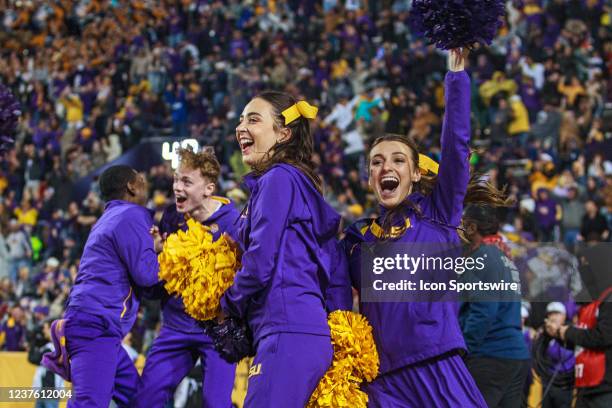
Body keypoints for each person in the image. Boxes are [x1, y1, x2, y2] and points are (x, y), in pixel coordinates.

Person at [342, 49, 497, 407]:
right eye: (376, 163)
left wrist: (456, 74)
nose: (386, 168)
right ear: (369, 178)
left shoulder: (438, 213)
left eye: (398, 160)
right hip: (382, 381)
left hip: (437, 364)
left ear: (415, 174)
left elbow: (456, 147)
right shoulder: (357, 237)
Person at [219, 91, 347, 407]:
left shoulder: (278, 179)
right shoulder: (297, 182)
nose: (240, 127)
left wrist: (228, 303)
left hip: (286, 330)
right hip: (302, 332)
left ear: (283, 133)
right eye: (240, 119)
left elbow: (260, 261)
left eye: (253, 119)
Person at [43, 165, 160, 408]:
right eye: (141, 177)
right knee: (89, 404)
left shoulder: (108, 218)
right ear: (131, 186)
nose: (145, 182)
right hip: (96, 327)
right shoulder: (131, 214)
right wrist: (165, 252)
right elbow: (147, 276)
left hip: (97, 326)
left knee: (142, 401)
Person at [134, 148, 238, 408]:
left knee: (215, 403)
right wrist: (158, 255)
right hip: (175, 327)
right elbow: (163, 280)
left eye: (187, 182)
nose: (177, 187)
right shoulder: (171, 216)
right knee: (147, 398)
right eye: (176, 179)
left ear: (208, 188)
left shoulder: (234, 223)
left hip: (218, 331)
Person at [460, 204, 530, 408]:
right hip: (516, 355)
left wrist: (465, 349)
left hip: (490, 354)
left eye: (464, 224)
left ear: (472, 227)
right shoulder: (505, 258)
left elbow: (483, 312)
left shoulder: (481, 258)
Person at [545, 242, 612, 408]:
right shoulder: (592, 301)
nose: (583, 269)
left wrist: (567, 332)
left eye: (587, 263)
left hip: (605, 387)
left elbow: (603, 337)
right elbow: (583, 341)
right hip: (587, 384)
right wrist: (559, 333)